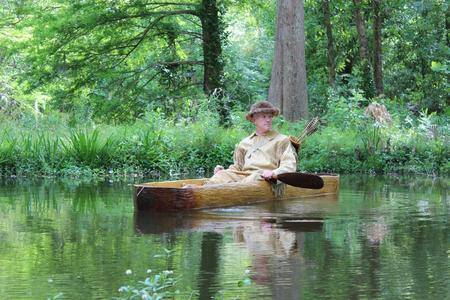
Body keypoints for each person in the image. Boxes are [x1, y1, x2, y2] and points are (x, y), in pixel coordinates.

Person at [206, 100, 297, 185]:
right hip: (244, 176)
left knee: (255, 177)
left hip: (264, 178)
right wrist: (224, 171)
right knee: (221, 176)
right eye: (264, 117)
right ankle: (205, 193)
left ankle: (232, 191)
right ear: (254, 120)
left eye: (270, 116)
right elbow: (237, 167)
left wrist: (274, 173)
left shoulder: (281, 140)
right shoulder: (244, 143)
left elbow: (289, 165)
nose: (268, 120)